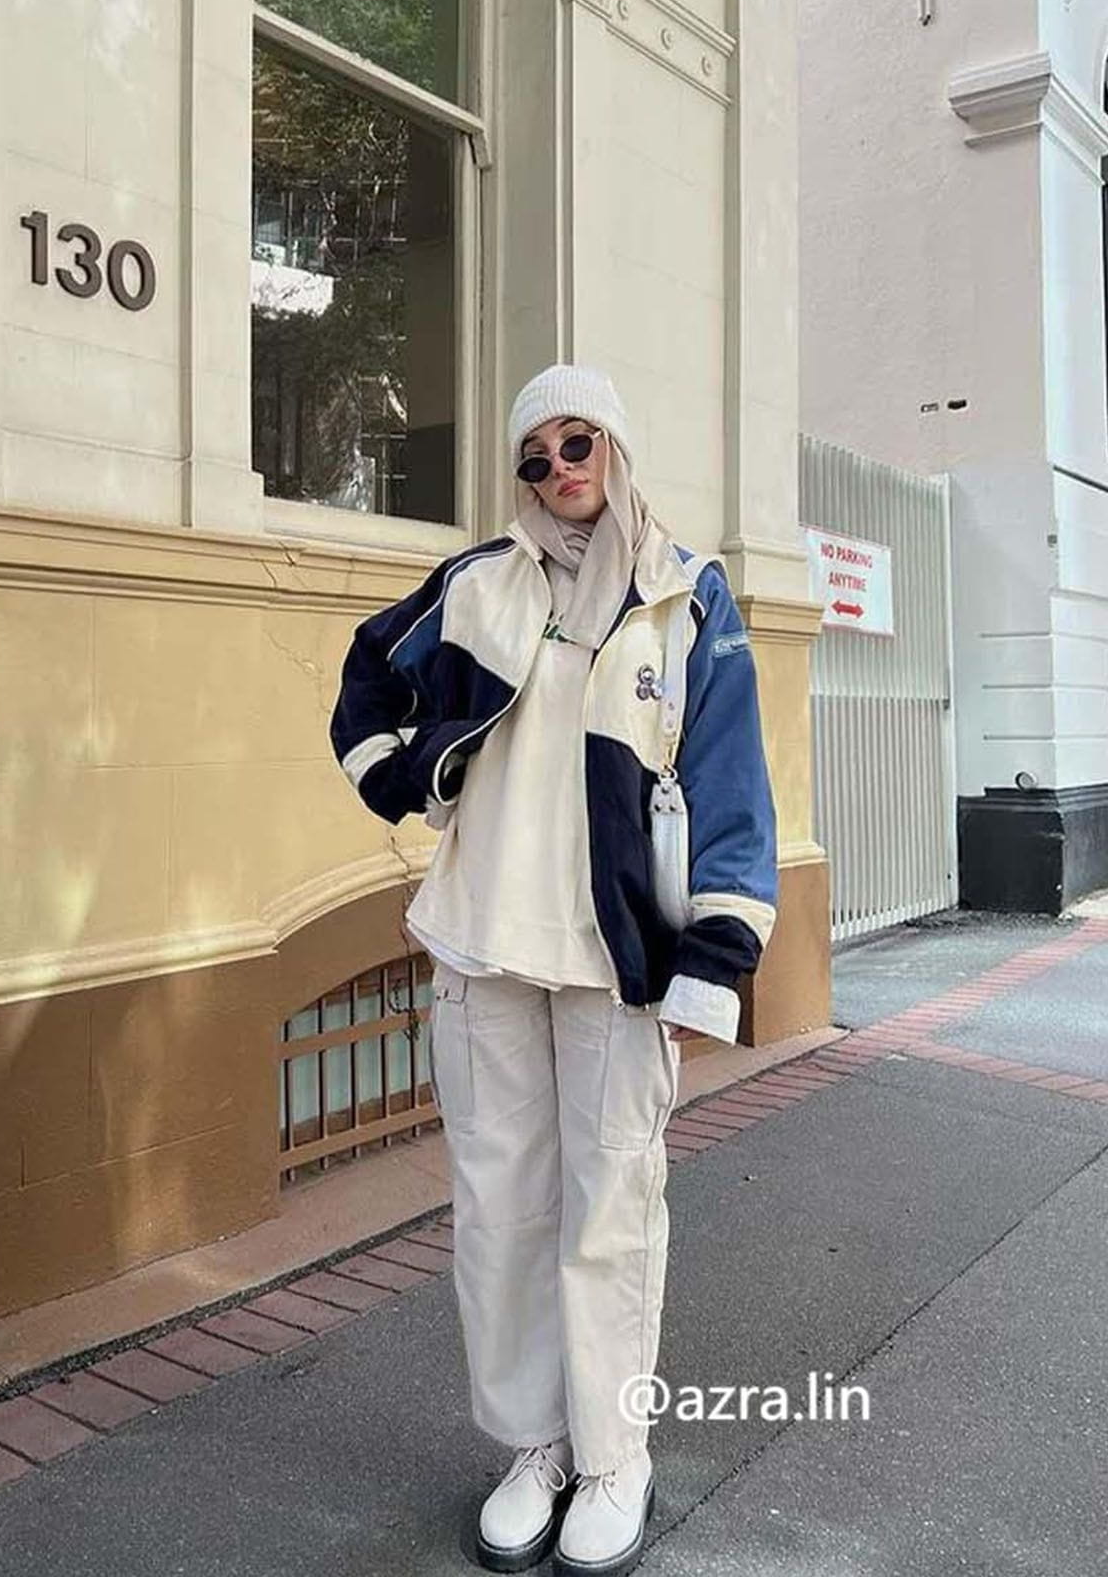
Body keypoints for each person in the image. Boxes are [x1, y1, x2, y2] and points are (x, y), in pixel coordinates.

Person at [329, 364, 777, 1577]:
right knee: (500, 1213)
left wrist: (716, 956)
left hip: (614, 961)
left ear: (614, 445)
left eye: (577, 443)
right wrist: (406, 775)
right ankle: (536, 1445)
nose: (557, 469)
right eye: (534, 454)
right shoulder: (478, 581)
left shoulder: (686, 594)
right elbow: (366, 681)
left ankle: (614, 1454)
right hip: (483, 942)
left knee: (611, 1208)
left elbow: (733, 783)